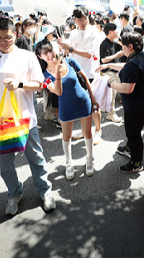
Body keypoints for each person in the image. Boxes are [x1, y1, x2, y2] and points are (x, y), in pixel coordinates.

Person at [0, 17, 56, 216]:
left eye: (8, 37)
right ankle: (14, 193)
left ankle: (45, 191)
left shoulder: (27, 56)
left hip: (26, 119)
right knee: (5, 164)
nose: (3, 41)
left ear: (15, 35)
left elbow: (39, 84)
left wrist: (19, 84)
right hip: (0, 123)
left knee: (36, 158)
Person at [36, 40, 98, 180]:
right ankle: (69, 163)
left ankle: (89, 159)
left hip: (83, 101)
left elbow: (85, 79)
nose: (49, 55)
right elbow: (58, 92)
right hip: (66, 107)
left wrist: (93, 99)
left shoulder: (69, 61)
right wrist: (57, 73)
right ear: (40, 57)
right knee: (66, 136)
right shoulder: (44, 75)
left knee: (87, 133)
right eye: (45, 53)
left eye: (50, 50)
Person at [98, 32, 144, 173]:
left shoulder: (133, 63)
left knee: (134, 134)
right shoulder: (143, 56)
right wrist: (109, 65)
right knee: (134, 130)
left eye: (122, 46)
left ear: (130, 46)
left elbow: (128, 88)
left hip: (136, 105)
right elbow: (127, 66)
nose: (121, 49)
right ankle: (129, 148)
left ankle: (136, 163)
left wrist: (111, 84)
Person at [58, 7, 101, 142]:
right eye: (80, 20)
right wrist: (62, 48)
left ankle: (98, 130)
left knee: (94, 102)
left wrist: (70, 48)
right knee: (84, 103)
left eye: (85, 19)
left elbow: (89, 54)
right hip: (77, 72)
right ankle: (85, 130)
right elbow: (68, 52)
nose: (83, 22)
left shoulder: (93, 32)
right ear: (75, 20)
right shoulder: (74, 33)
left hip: (91, 72)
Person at [98, 23, 124, 124]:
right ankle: (111, 114)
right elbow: (103, 60)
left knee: (114, 92)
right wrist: (116, 55)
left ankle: (107, 109)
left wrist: (119, 41)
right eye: (115, 30)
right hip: (108, 72)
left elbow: (123, 47)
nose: (117, 32)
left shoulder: (115, 42)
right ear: (110, 32)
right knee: (112, 93)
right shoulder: (104, 44)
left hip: (115, 71)